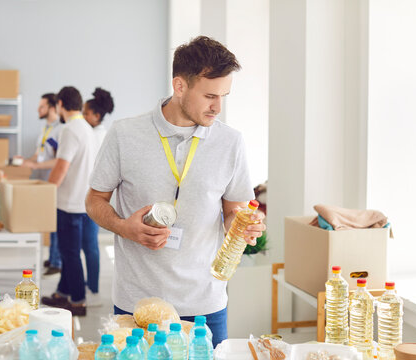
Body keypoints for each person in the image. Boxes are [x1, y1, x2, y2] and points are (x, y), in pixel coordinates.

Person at [85, 36, 266, 347]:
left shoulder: (230, 142)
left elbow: (233, 212)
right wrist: (124, 227)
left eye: (224, 96)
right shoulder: (124, 135)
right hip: (136, 304)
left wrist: (244, 226)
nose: (218, 108)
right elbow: (94, 201)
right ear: (179, 86)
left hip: (205, 305)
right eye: (210, 95)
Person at [41, 86, 99, 315]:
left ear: (60, 105)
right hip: (81, 201)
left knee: (70, 253)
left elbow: (60, 168)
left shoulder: (68, 130)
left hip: (68, 203)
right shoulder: (85, 128)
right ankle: (62, 293)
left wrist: (43, 195)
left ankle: (77, 301)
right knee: (69, 252)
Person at [22, 93, 63, 277]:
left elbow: (58, 161)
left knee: (55, 222)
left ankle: (57, 261)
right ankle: (52, 257)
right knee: (49, 220)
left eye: (42, 107)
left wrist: (36, 165)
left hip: (55, 181)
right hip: (43, 182)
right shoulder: (45, 129)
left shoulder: (60, 130)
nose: (39, 110)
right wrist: (25, 161)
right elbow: (40, 155)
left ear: (53, 107)